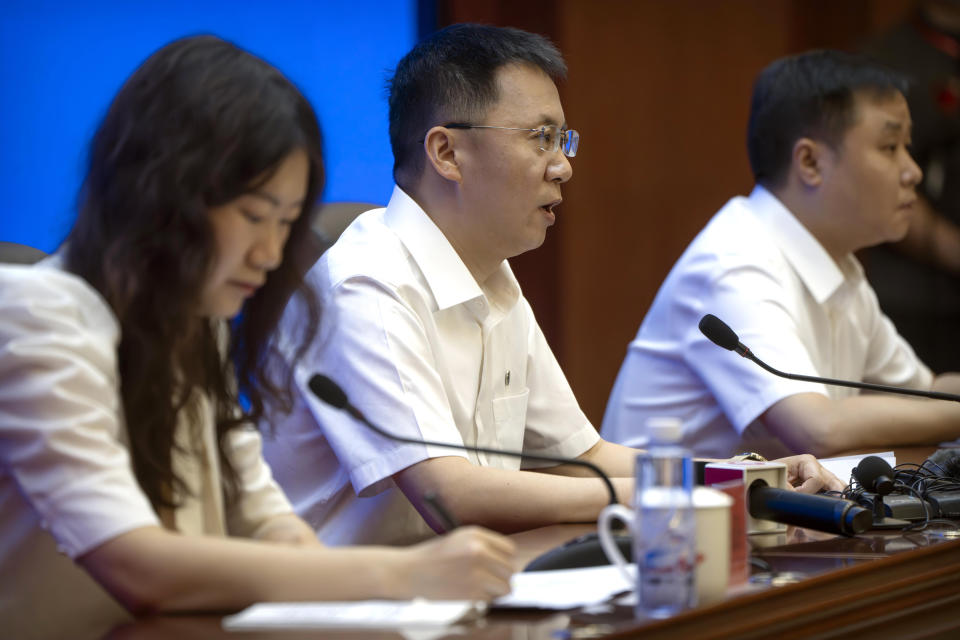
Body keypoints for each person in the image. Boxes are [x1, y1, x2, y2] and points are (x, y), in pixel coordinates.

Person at [0, 35, 515, 639]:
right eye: (253, 216)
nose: (270, 254)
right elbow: (132, 561)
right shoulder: (37, 311)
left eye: (285, 223)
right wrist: (402, 574)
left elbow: (267, 519)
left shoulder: (192, 327)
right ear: (164, 192)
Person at [261, 24, 839, 548]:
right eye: (540, 138)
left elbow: (582, 456)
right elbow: (450, 496)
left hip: (459, 584)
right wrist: (672, 495)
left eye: (564, 141)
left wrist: (739, 477)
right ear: (446, 152)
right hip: (343, 608)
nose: (563, 165)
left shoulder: (493, 276)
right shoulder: (366, 285)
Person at [601, 50, 960, 460]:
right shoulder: (735, 263)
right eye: (890, 146)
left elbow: (924, 393)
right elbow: (817, 428)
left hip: (756, 518)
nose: (912, 170)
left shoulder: (838, 265)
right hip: (655, 518)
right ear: (809, 162)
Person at [860, 0, 960, 374]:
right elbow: (876, 182)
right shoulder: (884, 59)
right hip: (918, 299)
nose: (908, 170)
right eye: (892, 147)